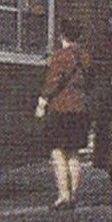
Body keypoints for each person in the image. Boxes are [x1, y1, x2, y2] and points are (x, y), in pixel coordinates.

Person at [35, 19, 91, 210]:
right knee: (74, 154)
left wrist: (42, 102)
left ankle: (63, 195)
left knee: (58, 152)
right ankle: (74, 195)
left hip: (61, 109)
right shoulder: (85, 57)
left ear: (62, 36)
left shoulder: (61, 57)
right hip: (81, 109)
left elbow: (53, 82)